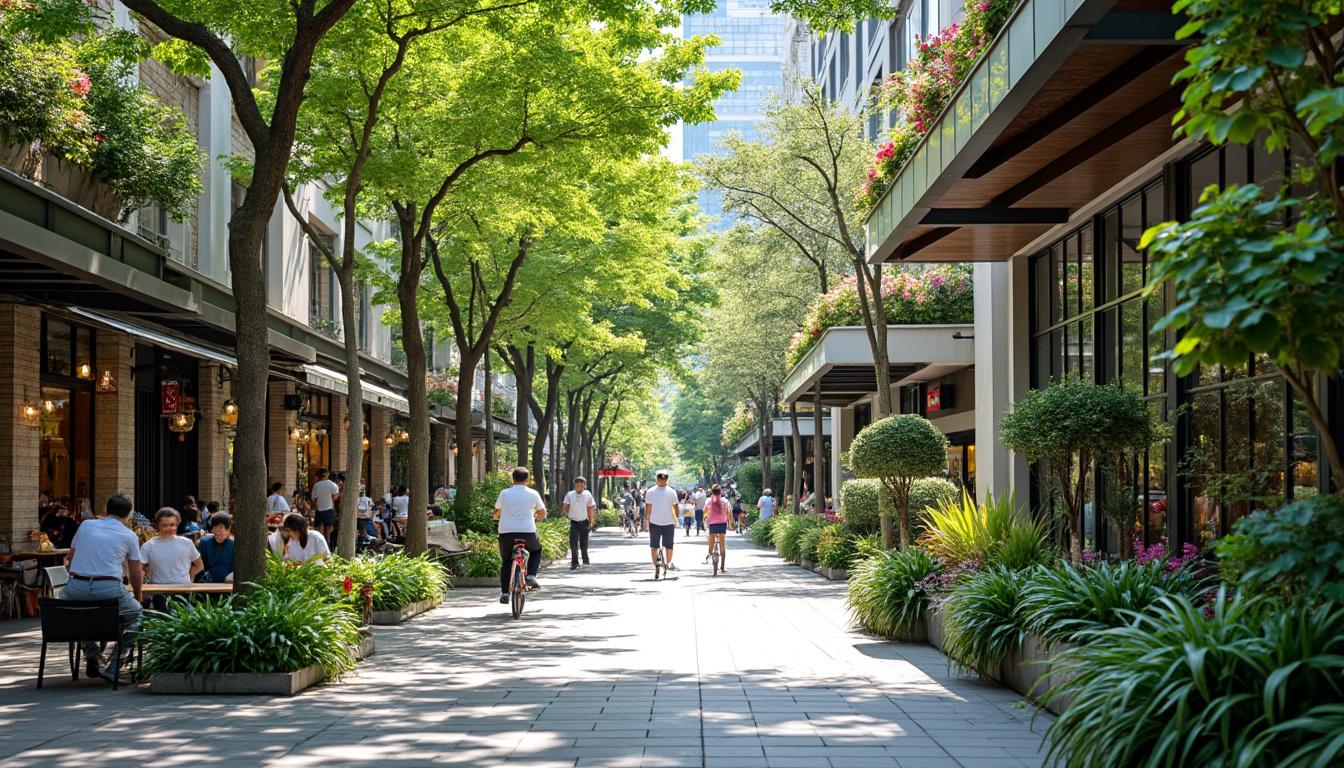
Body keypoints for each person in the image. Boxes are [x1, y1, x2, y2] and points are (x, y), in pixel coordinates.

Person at [64, 493, 144, 682]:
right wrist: (138, 595)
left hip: (76, 587)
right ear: (128, 514)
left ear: (106, 510)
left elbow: (71, 558)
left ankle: (91, 651)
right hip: (109, 589)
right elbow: (136, 572)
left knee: (75, 615)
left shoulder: (86, 525)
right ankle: (114, 665)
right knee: (137, 616)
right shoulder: (129, 535)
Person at [494, 466, 547, 604]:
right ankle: (530, 576)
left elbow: (497, 512)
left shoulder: (504, 493)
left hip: (506, 533)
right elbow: (542, 513)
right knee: (536, 550)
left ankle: (505, 593)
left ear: (513, 479)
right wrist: (536, 517)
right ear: (527, 480)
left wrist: (497, 516)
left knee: (507, 561)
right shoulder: (533, 493)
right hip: (527, 533)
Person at [141, 508, 204, 588]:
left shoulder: (187, 543)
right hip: (157, 591)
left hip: (183, 590)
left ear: (177, 524)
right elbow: (139, 569)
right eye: (165, 525)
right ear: (158, 526)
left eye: (172, 525)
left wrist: (190, 577)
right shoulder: (148, 545)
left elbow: (199, 565)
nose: (169, 528)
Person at [644, 470, 679, 572]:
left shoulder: (650, 491)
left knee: (654, 546)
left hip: (654, 522)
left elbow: (648, 508)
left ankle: (656, 565)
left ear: (657, 479)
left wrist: (647, 521)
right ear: (667, 479)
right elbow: (676, 507)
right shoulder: (672, 491)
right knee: (669, 545)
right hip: (668, 523)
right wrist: (675, 519)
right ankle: (668, 563)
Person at [562, 476, 596, 570]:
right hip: (574, 522)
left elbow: (590, 508)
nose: (579, 488)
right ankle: (574, 563)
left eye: (581, 486)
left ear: (584, 485)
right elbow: (565, 507)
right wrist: (565, 508)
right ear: (575, 485)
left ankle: (585, 561)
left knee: (584, 543)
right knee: (573, 543)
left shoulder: (587, 494)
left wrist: (591, 520)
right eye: (577, 486)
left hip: (584, 521)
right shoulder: (570, 495)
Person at [196, 512, 235, 583]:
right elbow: (199, 566)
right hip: (207, 584)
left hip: (227, 584)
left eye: (221, 527)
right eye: (215, 527)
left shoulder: (234, 545)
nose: (217, 531)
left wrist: (233, 575)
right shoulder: (204, 543)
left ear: (228, 530)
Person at [704, 484, 731, 570]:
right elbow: (728, 512)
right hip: (722, 523)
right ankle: (722, 566)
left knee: (711, 542)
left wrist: (705, 521)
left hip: (712, 524)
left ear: (712, 492)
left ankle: (709, 554)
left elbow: (705, 512)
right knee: (722, 545)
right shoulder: (725, 501)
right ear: (720, 492)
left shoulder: (708, 501)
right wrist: (730, 523)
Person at [310, 468, 341, 542]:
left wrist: (312, 509)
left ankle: (319, 547)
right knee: (328, 534)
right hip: (329, 510)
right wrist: (332, 499)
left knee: (318, 534)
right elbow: (337, 494)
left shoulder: (316, 485)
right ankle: (328, 547)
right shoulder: (331, 484)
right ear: (326, 474)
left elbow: (313, 499)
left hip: (319, 511)